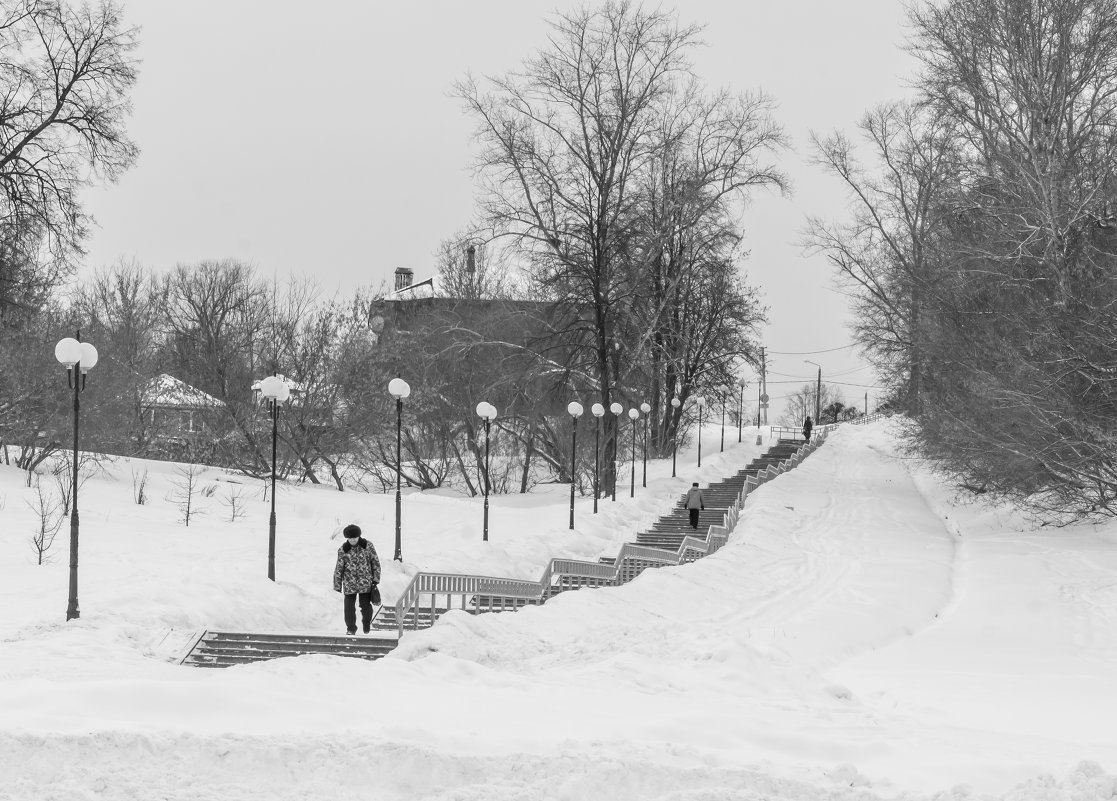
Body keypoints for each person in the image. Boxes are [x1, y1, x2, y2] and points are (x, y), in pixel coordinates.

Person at [332, 523, 381, 635]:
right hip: (349, 583)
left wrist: (375, 579)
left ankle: (366, 623)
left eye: (354, 538)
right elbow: (339, 568)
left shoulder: (368, 546)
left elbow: (375, 562)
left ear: (359, 536)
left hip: (365, 582)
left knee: (366, 606)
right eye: (350, 538)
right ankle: (351, 628)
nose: (352, 540)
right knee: (349, 608)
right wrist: (337, 585)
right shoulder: (343, 550)